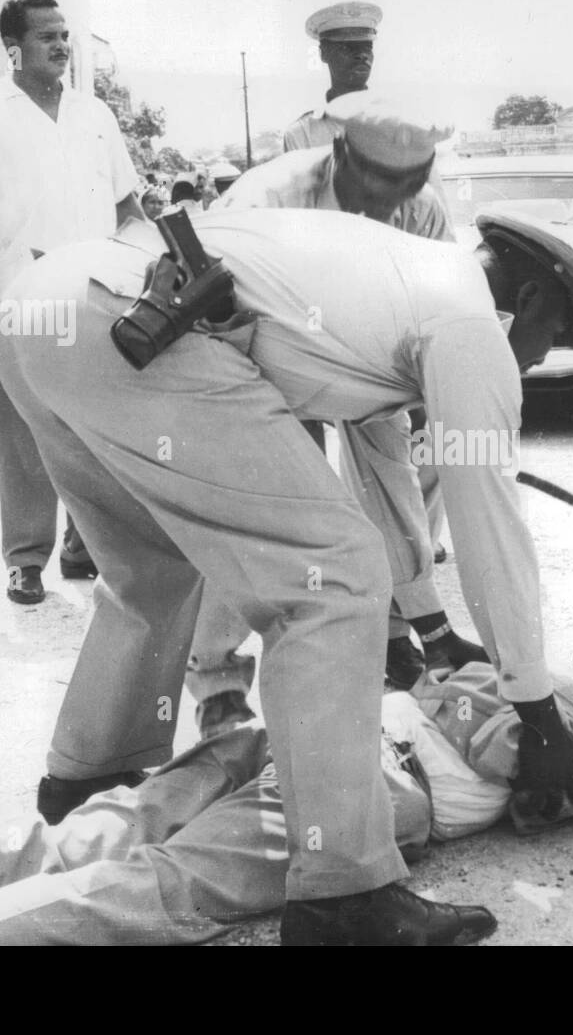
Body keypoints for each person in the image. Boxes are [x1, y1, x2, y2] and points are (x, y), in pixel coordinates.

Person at [0, 202, 573, 944]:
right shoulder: (470, 327)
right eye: (560, 330)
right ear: (531, 298)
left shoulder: (408, 282)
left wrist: (432, 632)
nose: (546, 353)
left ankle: (88, 785)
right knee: (337, 578)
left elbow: (387, 469)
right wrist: (534, 707)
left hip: (46, 311)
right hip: (136, 320)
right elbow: (490, 521)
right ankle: (343, 896)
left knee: (150, 569)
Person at [0, 607, 573, 946]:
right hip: (370, 787)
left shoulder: (528, 647)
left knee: (101, 833)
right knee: (159, 888)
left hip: (314, 727)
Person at [211, 92, 459, 707]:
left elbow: (443, 307)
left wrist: (434, 393)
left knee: (405, 466)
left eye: (405, 187)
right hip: (254, 351)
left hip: (369, 358)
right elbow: (211, 307)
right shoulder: (265, 199)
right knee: (258, 507)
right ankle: (215, 675)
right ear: (339, 154)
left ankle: (409, 628)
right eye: (374, 187)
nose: (385, 206)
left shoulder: (422, 210)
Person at [0, 0, 141, 605]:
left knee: (96, 428)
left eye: (65, 34)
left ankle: (87, 545)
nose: (62, 45)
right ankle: (25, 559)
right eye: (47, 36)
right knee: (24, 433)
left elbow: (128, 206)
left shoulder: (95, 113)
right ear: (15, 49)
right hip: (17, 298)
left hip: (97, 294)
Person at [283, 1, 381, 153]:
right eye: (347, 47)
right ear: (324, 54)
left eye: (367, 47)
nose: (361, 55)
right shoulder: (301, 134)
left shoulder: (397, 125)